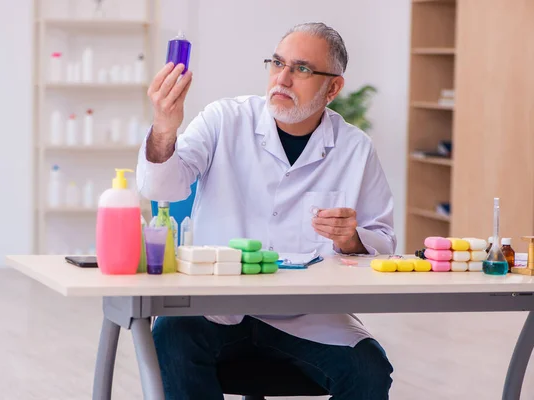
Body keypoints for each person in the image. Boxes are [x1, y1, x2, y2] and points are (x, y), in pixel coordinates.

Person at [137, 22, 395, 400]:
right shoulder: (224, 119)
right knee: (170, 336)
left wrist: (351, 238)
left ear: (333, 88)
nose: (283, 79)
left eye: (302, 69)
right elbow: (160, 187)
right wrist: (164, 128)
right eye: (277, 63)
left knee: (369, 370)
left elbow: (384, 244)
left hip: (309, 317)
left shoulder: (355, 149)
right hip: (217, 308)